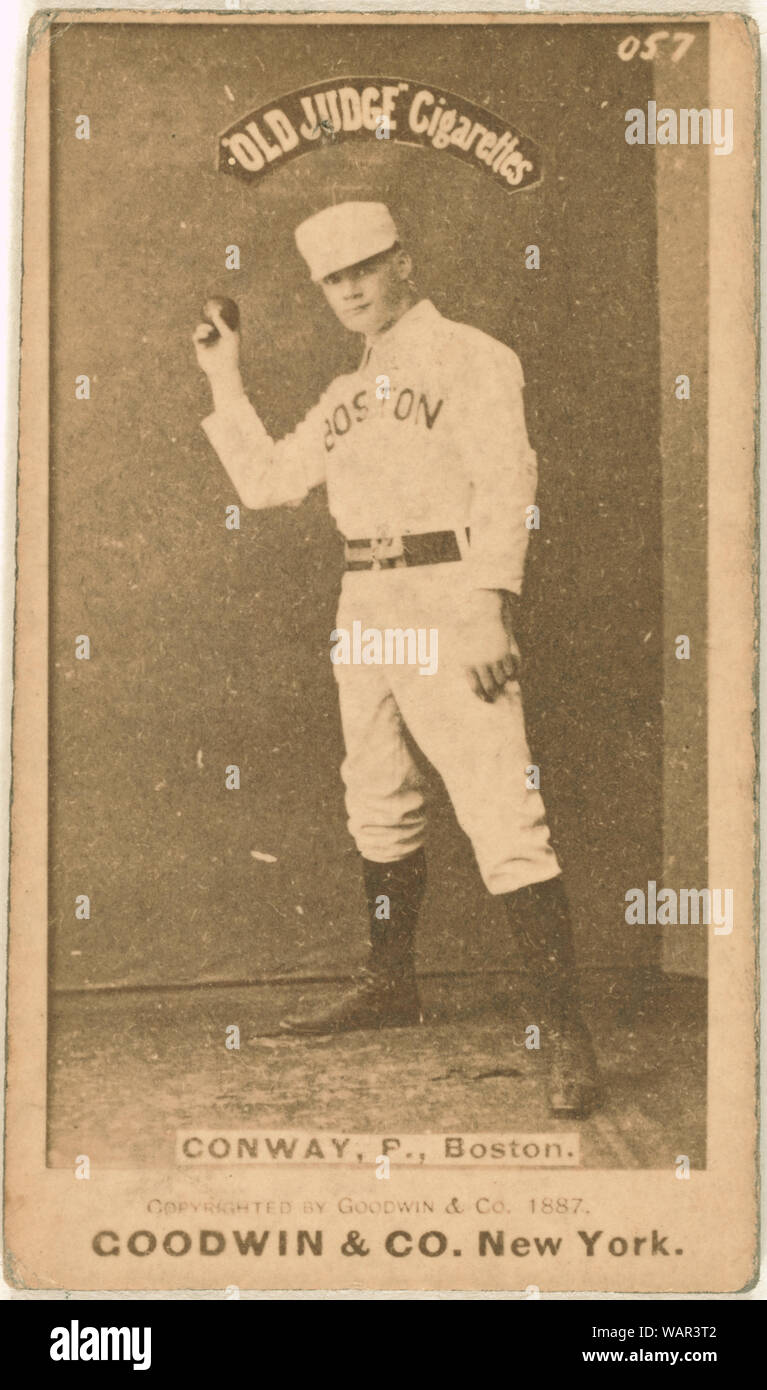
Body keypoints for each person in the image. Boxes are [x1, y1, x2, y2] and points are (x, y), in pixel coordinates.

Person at [193, 200, 600, 1117]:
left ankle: (566, 1033)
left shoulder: (473, 356)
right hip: (365, 599)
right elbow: (263, 485)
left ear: (404, 262)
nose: (351, 289)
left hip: (448, 587)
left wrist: (493, 603)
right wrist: (224, 375)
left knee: (502, 807)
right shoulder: (345, 395)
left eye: (366, 268)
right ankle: (391, 984)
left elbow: (507, 481)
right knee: (376, 794)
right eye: (334, 279)